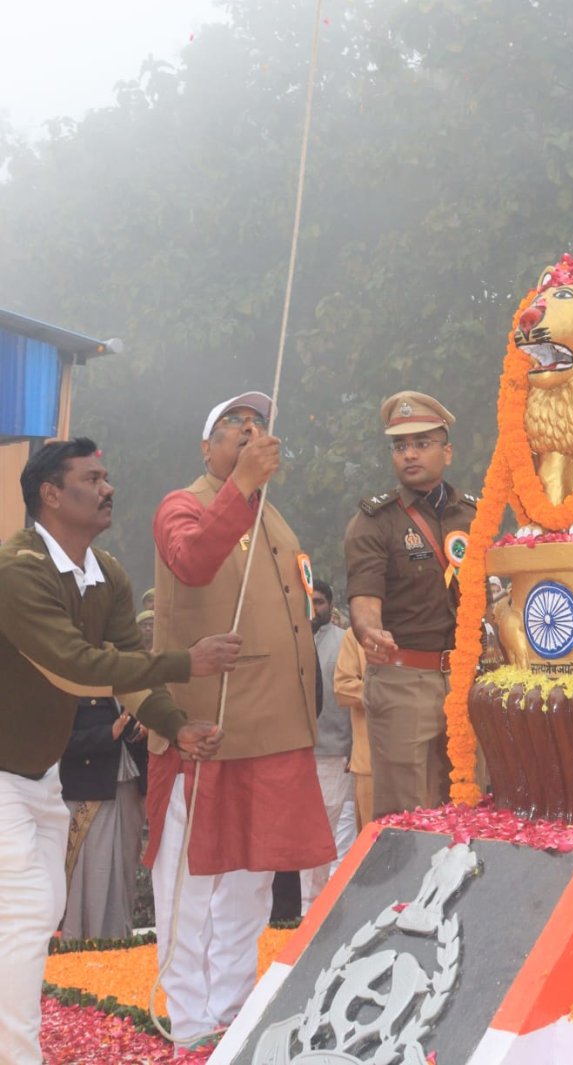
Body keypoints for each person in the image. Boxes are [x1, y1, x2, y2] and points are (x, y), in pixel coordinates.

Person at [0, 437, 238, 1065]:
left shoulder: (106, 571)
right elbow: (76, 669)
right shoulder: (17, 570)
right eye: (93, 478)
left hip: (39, 777)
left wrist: (175, 725)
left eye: (107, 476)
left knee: (36, 910)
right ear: (51, 494)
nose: (108, 488)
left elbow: (130, 673)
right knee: (25, 914)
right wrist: (189, 660)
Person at [147, 391, 334, 1048]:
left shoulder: (274, 518)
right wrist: (244, 485)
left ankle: (227, 1007)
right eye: (233, 425)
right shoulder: (183, 502)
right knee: (194, 877)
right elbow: (192, 559)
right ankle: (191, 1020)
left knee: (253, 882)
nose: (249, 431)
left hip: (275, 728)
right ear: (207, 447)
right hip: (208, 727)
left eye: (257, 425)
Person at [344, 391, 477, 818]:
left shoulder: (475, 516)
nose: (409, 454)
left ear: (447, 451)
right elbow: (365, 597)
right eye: (400, 446)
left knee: (470, 804)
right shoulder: (374, 521)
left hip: (468, 681)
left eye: (422, 443)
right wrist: (369, 631)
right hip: (405, 681)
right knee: (408, 815)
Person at [60, 696, 148, 939]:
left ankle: (118, 946)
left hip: (128, 791)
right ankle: (80, 946)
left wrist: (141, 734)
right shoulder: (74, 681)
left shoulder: (133, 679)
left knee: (123, 876)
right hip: (89, 792)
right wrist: (106, 734)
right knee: (90, 877)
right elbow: (61, 740)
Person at [299, 579, 356, 914]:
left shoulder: (344, 641)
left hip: (333, 752)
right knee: (299, 833)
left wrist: (352, 748)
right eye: (308, 601)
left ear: (330, 606)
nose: (313, 608)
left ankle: (320, 907)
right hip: (293, 754)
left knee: (328, 830)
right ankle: (303, 907)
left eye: (318, 602)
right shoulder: (289, 640)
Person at [333, 624, 373, 829]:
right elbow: (343, 687)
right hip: (370, 763)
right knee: (374, 842)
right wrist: (390, 694)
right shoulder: (355, 635)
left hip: (421, 757)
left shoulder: (423, 629)